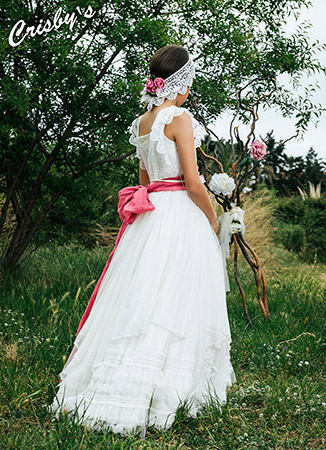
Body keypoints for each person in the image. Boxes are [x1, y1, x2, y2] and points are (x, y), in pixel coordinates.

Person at [48, 44, 236, 438]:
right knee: (178, 296)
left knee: (141, 294)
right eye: (190, 82)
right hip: (180, 212)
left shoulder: (142, 122)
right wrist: (212, 217)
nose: (190, 90)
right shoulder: (180, 118)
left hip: (150, 215)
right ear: (180, 83)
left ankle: (104, 386)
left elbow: (145, 180)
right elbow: (193, 181)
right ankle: (172, 390)